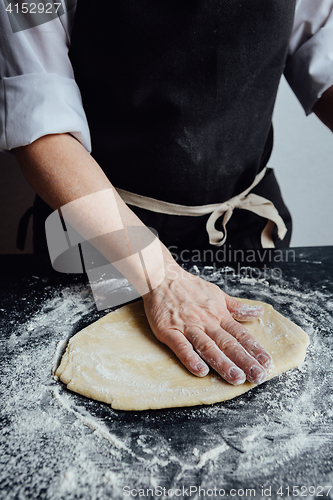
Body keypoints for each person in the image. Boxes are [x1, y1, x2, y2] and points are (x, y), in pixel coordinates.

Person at [1, 0, 332, 387]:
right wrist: (162, 277)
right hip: (99, 238)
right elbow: (42, 132)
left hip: (243, 228)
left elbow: (321, 42)